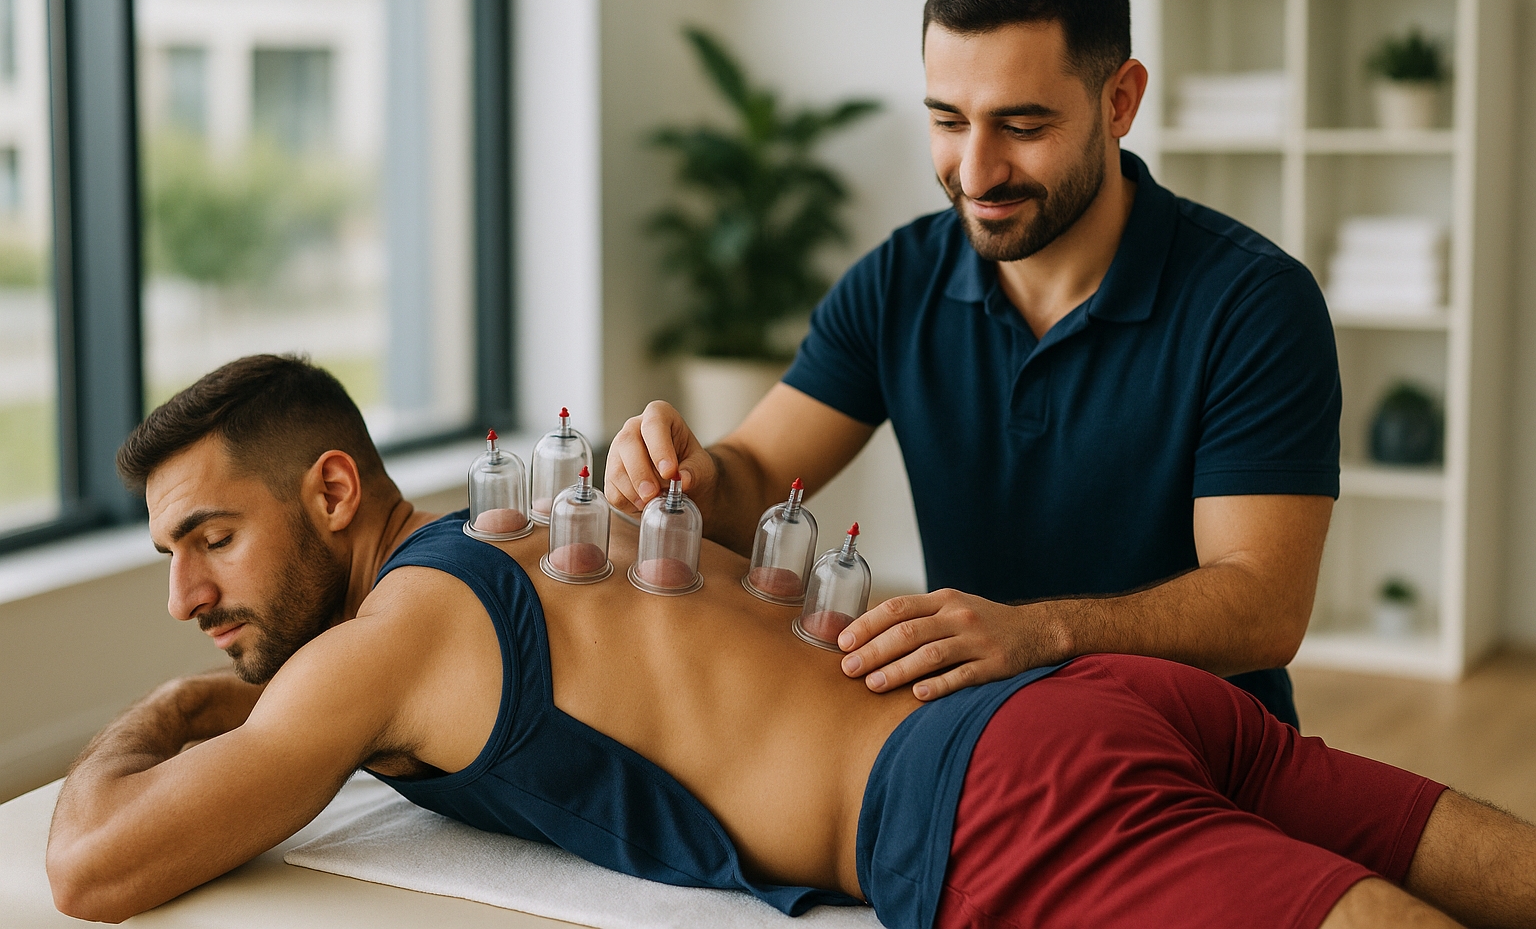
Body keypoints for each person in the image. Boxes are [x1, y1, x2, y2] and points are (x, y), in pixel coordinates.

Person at [43, 355, 1536, 929]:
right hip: (1082, 700)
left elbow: (94, 870)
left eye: (210, 540)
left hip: (983, 797)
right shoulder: (516, 537)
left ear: (331, 490)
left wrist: (164, 720)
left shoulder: (385, 640)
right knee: (1445, 844)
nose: (189, 595)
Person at [604, 0, 1339, 726]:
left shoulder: (1255, 303)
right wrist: (692, 479)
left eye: (1023, 128)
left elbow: (1264, 605)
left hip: (1203, 752)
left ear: (1120, 101)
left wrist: (1039, 634)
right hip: (981, 740)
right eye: (949, 121)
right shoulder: (898, 281)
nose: (977, 173)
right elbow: (753, 474)